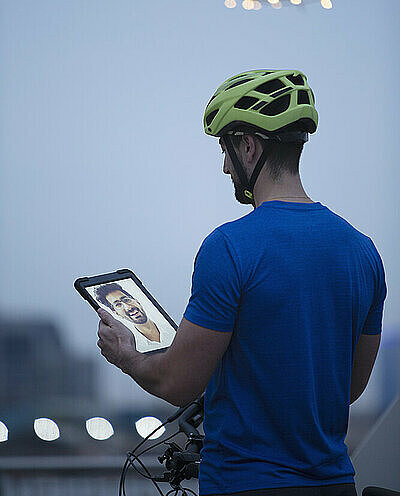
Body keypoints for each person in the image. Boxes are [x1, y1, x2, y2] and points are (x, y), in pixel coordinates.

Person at [97, 69, 387, 496]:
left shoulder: (229, 248)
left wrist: (127, 355)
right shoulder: (364, 252)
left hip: (244, 485)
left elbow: (177, 383)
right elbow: (349, 387)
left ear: (248, 145)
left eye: (226, 150)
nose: (225, 167)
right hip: (334, 485)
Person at [95, 283, 161, 346]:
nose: (128, 308)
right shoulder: (132, 344)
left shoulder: (166, 324)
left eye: (126, 300)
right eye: (118, 305)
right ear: (117, 313)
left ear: (137, 301)